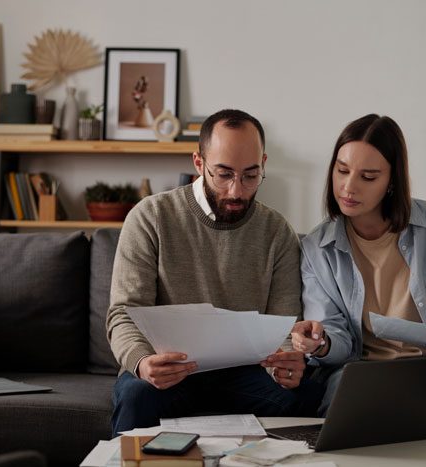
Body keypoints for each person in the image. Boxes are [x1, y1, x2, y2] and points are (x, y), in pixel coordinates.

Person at [291, 114, 426, 451]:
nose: (348, 187)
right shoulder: (317, 249)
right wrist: (320, 343)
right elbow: (338, 339)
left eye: (368, 176)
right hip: (362, 371)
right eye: (342, 170)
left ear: (391, 181)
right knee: (342, 403)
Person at [107, 109, 322, 436]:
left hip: (246, 373)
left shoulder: (277, 231)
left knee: (308, 397)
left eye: (251, 175)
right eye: (223, 174)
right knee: (136, 398)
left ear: (263, 163)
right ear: (198, 163)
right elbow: (123, 313)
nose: (237, 191)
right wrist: (141, 362)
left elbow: (285, 323)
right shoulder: (150, 217)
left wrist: (288, 361)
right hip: (168, 367)